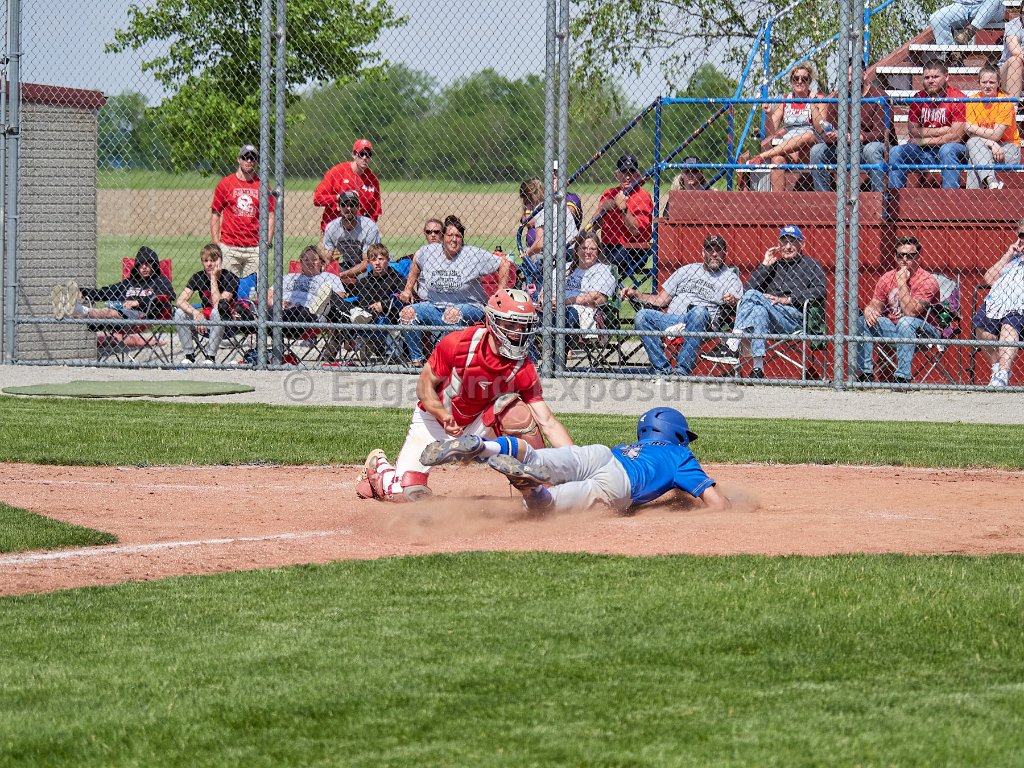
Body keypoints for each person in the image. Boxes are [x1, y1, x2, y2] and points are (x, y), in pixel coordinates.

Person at [357, 288, 574, 503]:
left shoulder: (523, 367)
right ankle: (379, 468)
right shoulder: (460, 343)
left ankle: (541, 487)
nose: (518, 332)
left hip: (479, 425)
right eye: (510, 325)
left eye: (523, 326)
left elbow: (548, 422)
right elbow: (424, 387)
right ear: (492, 322)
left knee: (517, 414)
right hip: (434, 421)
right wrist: (442, 415)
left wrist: (577, 463)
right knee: (406, 492)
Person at [419, 407, 730, 514]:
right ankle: (532, 489)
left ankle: (485, 446)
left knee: (534, 456)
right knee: (545, 506)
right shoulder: (680, 454)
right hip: (619, 483)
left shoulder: (631, 446)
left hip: (601, 454)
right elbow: (716, 503)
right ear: (677, 433)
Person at [702, 225, 827, 379]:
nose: (788, 246)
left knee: (755, 298)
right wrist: (765, 265)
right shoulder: (773, 265)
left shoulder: (811, 265)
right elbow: (748, 290)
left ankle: (732, 345)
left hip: (793, 317)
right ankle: (758, 369)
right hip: (769, 316)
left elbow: (820, 290)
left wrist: (788, 299)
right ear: (779, 245)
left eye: (792, 242)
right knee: (758, 310)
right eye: (784, 242)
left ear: (802, 244)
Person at [397, 215, 511, 366]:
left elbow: (503, 263)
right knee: (407, 313)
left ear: (462, 239)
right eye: (450, 235)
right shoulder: (429, 251)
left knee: (451, 314)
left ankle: (447, 360)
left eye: (458, 236)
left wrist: (501, 292)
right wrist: (407, 289)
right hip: (435, 306)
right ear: (443, 237)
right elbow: (416, 263)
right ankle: (417, 360)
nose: (454, 239)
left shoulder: (472, 254)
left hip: (469, 306)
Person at [626, 234, 742, 377]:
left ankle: (681, 370)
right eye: (710, 250)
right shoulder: (687, 270)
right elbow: (661, 300)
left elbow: (739, 303)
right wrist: (636, 294)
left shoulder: (730, 277)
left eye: (718, 250)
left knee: (699, 312)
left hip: (701, 323)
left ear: (725, 253)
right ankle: (663, 370)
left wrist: (733, 300)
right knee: (642, 316)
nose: (714, 254)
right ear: (703, 253)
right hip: (672, 320)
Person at [853, 236, 941, 385]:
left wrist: (901, 282)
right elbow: (876, 303)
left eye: (910, 256)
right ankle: (865, 374)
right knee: (863, 321)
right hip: (894, 329)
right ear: (895, 256)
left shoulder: (927, 280)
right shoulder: (887, 278)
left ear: (918, 257)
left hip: (925, 332)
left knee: (906, 322)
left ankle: (902, 377)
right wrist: (869, 310)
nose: (905, 259)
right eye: (901, 255)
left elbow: (911, 312)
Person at [744, 64, 826, 192]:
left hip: (808, 149)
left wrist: (811, 104)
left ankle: (763, 156)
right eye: (796, 78)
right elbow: (771, 132)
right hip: (788, 149)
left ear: (809, 81)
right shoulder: (786, 100)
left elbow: (820, 128)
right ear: (791, 81)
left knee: (808, 136)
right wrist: (769, 114)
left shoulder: (818, 98)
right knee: (777, 160)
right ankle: (778, 201)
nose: (799, 81)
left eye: (804, 79)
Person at [888, 60, 967, 190]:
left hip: (951, 152)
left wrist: (923, 140)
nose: (931, 81)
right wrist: (943, 130)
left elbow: (955, 137)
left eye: (935, 77)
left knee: (947, 150)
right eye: (927, 77)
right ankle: (894, 197)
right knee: (896, 152)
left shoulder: (957, 98)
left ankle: (950, 197)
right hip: (924, 152)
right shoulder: (918, 98)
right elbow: (913, 130)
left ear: (946, 77)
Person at [809, 70, 889, 193]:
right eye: (846, 75)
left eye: (853, 75)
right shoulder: (838, 98)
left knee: (871, 150)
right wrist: (830, 137)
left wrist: (855, 137)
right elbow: (829, 129)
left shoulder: (879, 96)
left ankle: (879, 198)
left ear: (864, 75)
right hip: (845, 148)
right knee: (817, 151)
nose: (849, 79)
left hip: (872, 146)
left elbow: (881, 133)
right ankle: (824, 198)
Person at [50, 246, 175, 324]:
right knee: (108, 309)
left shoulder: (160, 281)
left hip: (142, 315)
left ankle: (73, 309)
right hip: (120, 310)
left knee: (108, 313)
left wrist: (138, 302)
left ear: (154, 265)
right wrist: (83, 291)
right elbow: (106, 292)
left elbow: (168, 295)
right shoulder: (129, 282)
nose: (144, 267)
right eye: (141, 264)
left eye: (148, 264)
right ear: (137, 266)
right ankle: (68, 305)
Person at [209, 144, 275, 279]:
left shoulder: (263, 186)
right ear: (239, 159)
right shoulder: (226, 183)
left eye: (253, 158)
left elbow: (271, 215)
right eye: (245, 157)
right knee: (228, 287)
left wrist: (266, 243)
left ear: (256, 162)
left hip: (254, 248)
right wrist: (217, 244)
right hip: (229, 247)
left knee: (254, 289)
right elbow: (215, 214)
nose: (249, 161)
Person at [276, 245, 349, 362]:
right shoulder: (289, 277)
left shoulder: (329, 277)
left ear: (322, 262)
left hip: (310, 317)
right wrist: (278, 303)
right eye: (306, 260)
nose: (310, 263)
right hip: (282, 313)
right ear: (300, 263)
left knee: (300, 310)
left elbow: (340, 298)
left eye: (314, 259)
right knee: (262, 311)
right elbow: (269, 294)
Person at [973, 222, 1024, 387]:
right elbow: (989, 278)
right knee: (982, 329)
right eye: (1022, 235)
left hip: (1020, 306)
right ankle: (997, 369)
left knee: (1009, 327)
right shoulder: (1012, 259)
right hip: (997, 303)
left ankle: (1003, 373)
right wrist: (1008, 255)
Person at [173, 243, 240, 364]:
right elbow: (180, 301)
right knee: (179, 313)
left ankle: (210, 357)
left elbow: (219, 306)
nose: (209, 264)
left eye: (213, 260)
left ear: (220, 261)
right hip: (204, 321)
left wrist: (213, 278)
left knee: (216, 312)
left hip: (227, 323)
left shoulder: (230, 278)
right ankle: (189, 356)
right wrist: (196, 313)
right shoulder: (198, 277)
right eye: (206, 261)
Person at [593, 153, 654, 280]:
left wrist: (623, 209)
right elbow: (595, 226)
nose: (627, 176)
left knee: (603, 265)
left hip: (633, 250)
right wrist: (602, 209)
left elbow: (635, 230)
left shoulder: (643, 196)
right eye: (623, 172)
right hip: (608, 247)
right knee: (577, 255)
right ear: (616, 175)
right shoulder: (609, 194)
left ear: (637, 175)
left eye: (631, 172)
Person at [964, 65, 1021, 190]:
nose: (987, 86)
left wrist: (972, 128)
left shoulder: (1005, 102)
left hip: (1008, 148)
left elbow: (996, 135)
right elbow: (970, 134)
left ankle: (973, 198)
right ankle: (991, 181)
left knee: (974, 157)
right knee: (974, 144)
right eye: (984, 82)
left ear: (999, 83)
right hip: (982, 146)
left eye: (992, 82)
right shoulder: (972, 101)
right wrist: (991, 143)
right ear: (979, 83)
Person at [559, 235, 617, 346]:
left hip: (577, 312)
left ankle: (559, 354)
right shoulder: (565, 268)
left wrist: (563, 302)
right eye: (584, 248)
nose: (588, 252)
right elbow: (549, 286)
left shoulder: (602, 270)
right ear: (577, 250)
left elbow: (597, 297)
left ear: (598, 252)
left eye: (592, 249)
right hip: (556, 306)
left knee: (568, 314)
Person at [352, 243, 407, 360]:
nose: (377, 263)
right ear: (369, 263)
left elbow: (402, 299)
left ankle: (373, 343)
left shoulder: (398, 279)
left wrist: (384, 304)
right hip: (365, 316)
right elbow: (356, 300)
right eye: (373, 260)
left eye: (381, 259)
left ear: (388, 260)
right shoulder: (363, 282)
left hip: (389, 318)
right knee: (344, 306)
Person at [313, 138, 381, 230]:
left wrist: (368, 229)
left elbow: (375, 211)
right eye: (361, 154)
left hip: (358, 231)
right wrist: (339, 198)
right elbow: (317, 199)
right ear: (354, 154)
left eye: (368, 155)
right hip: (334, 228)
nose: (365, 158)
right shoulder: (337, 172)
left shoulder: (372, 179)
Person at [321, 190, 382, 279]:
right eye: (344, 204)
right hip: (347, 264)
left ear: (358, 207)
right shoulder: (331, 228)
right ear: (338, 207)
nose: (349, 208)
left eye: (352, 204)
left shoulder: (369, 227)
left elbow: (367, 262)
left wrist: (343, 275)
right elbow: (327, 259)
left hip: (369, 268)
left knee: (363, 278)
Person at [518, 176, 579, 264]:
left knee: (531, 255)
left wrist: (526, 254)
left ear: (527, 200)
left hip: (563, 255)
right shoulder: (554, 201)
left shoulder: (541, 209)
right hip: (572, 249)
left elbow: (539, 244)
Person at [929, 0, 1006, 46]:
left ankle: (970, 31)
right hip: (962, 6)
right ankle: (950, 54)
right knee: (936, 18)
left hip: (990, 7)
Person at [999, 2, 1024, 97]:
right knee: (1016, 60)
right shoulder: (1013, 25)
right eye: (1023, 13)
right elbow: (1015, 50)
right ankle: (1012, 105)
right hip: (1009, 72)